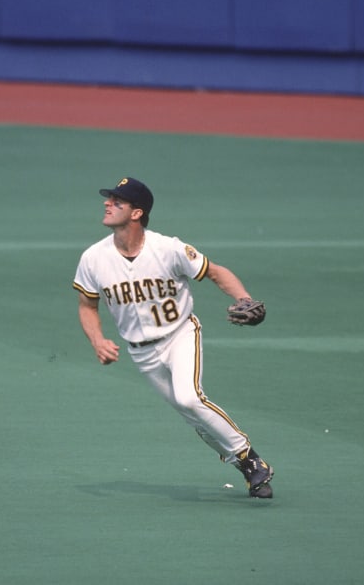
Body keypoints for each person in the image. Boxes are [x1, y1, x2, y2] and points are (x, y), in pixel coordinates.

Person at [72, 177, 274, 498]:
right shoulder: (93, 258)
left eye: (116, 201)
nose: (107, 204)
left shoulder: (168, 248)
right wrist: (97, 340)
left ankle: (249, 456)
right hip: (141, 352)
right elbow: (87, 305)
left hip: (180, 334)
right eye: (109, 199)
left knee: (189, 398)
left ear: (137, 213)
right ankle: (246, 466)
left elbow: (216, 272)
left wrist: (243, 297)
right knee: (192, 418)